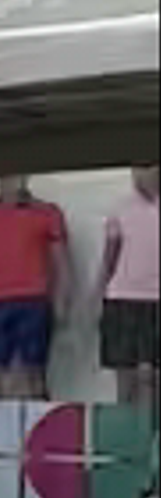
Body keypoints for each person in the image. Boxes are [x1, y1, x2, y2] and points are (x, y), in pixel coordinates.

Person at [0, 170, 71, 386]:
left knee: (30, 378)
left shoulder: (47, 213)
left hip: (34, 302)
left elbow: (62, 263)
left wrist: (62, 304)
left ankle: (35, 417)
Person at [100, 168, 161, 403]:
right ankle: (126, 434)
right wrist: (97, 296)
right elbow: (109, 258)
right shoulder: (120, 207)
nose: (140, 174)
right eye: (137, 169)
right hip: (122, 298)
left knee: (154, 378)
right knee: (126, 377)